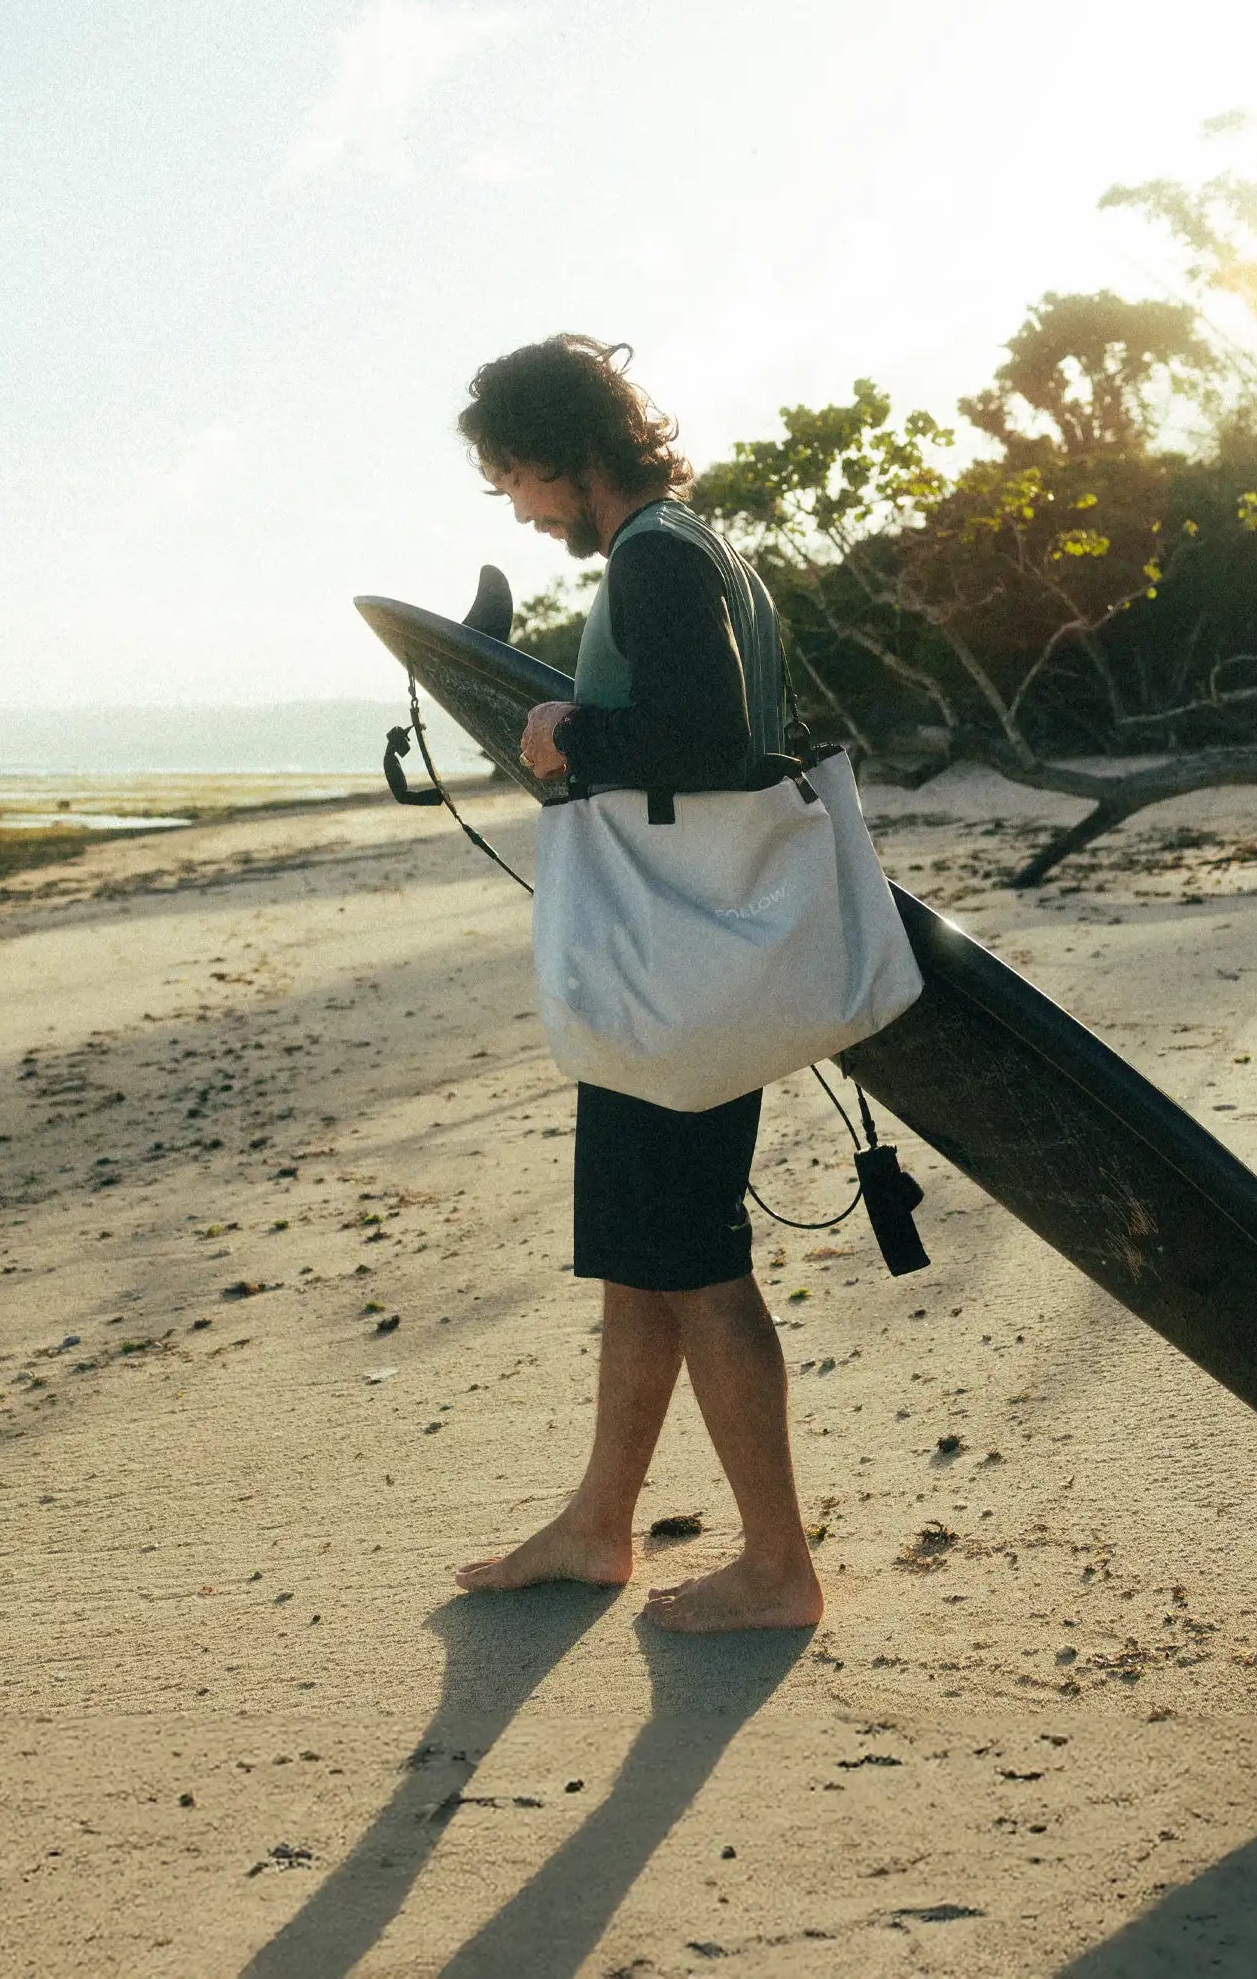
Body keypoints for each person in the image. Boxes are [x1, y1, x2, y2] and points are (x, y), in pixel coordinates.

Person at [446, 334, 823, 1635]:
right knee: (639, 1255)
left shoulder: (660, 554)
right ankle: (598, 1523)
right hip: (683, 963)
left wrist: (573, 733)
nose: (516, 507)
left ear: (561, 449)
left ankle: (777, 1565)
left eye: (513, 479)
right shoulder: (696, 547)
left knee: (699, 1260)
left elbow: (708, 738)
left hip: (679, 972)